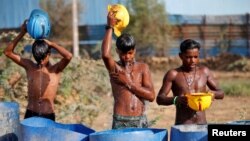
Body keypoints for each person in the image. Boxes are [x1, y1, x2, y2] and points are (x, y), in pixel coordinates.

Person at [4, 20, 72, 121]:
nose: (40, 62)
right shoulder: (29, 66)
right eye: (37, 58)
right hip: (30, 114)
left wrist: (52, 44)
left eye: (42, 58)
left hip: (48, 116)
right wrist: (22, 32)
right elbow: (8, 52)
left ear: (49, 54)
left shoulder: (56, 70)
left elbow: (68, 56)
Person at [102, 11, 155, 129]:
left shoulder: (143, 68)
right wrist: (109, 27)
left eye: (130, 53)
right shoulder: (115, 68)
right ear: (117, 52)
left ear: (134, 51)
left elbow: (151, 96)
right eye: (123, 54)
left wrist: (128, 83)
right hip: (121, 120)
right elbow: (105, 55)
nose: (127, 57)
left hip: (140, 120)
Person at [156, 39, 224, 125]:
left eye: (195, 57)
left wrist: (212, 94)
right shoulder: (173, 74)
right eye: (188, 57)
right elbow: (160, 99)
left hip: (202, 124)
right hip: (183, 125)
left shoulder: (204, 72)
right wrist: (176, 99)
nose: (193, 61)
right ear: (181, 56)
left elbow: (221, 93)